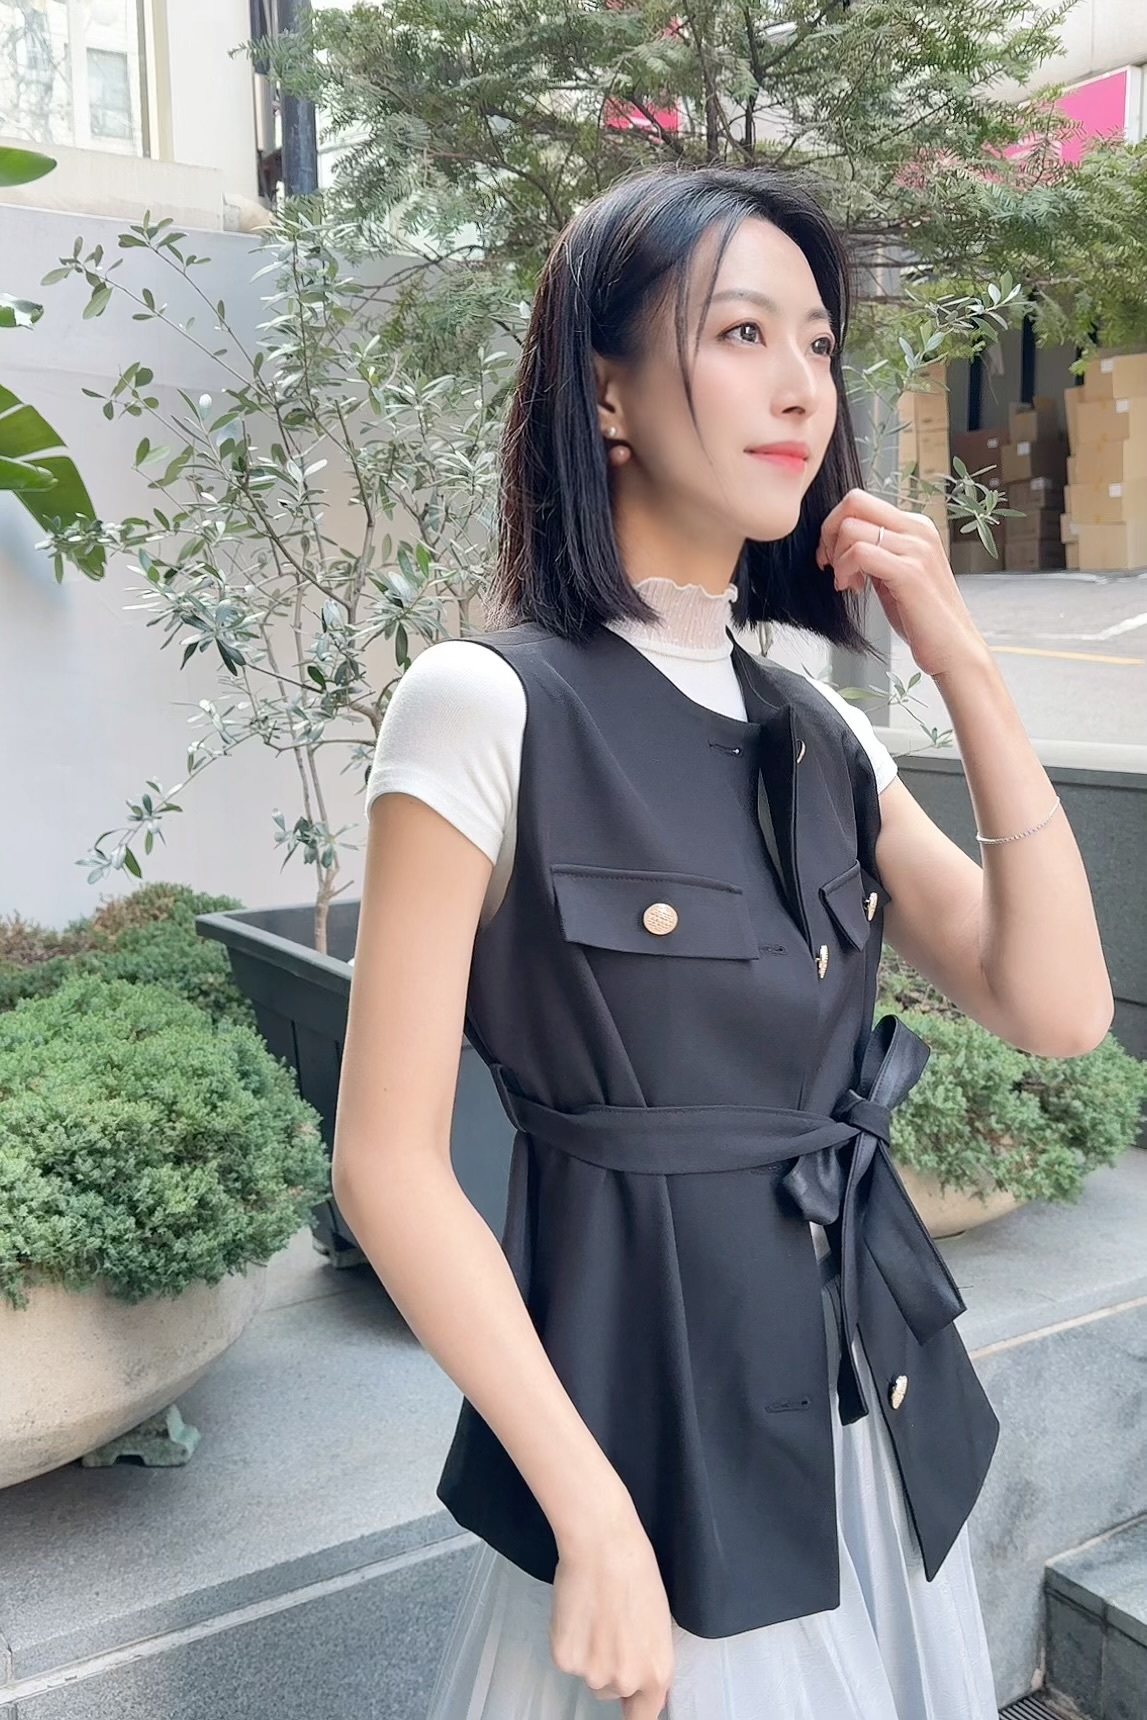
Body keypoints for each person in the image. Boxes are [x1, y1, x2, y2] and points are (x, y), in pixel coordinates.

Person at [333, 164, 1115, 1720]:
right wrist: (590, 1513)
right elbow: (387, 1166)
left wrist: (962, 661)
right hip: (647, 1444)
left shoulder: (821, 731)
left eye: (818, 343)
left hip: (859, 1421)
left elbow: (1059, 1008)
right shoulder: (487, 706)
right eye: (742, 333)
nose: (801, 387)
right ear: (606, 392)